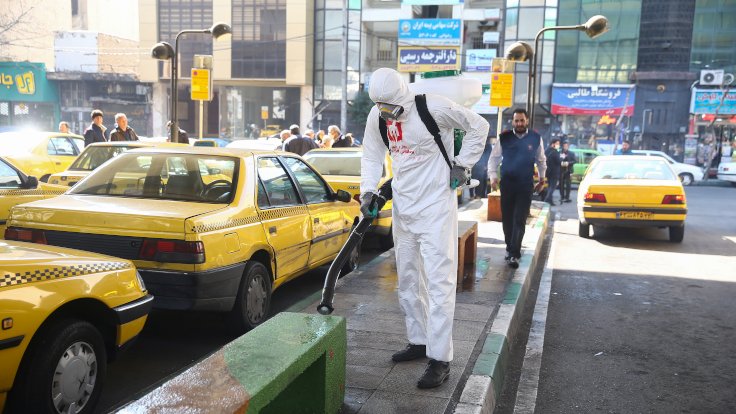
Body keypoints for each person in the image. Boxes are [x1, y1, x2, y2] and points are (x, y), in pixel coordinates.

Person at [360, 68, 489, 389]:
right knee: (407, 279)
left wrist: (463, 163)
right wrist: (367, 190)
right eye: (380, 107)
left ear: (401, 96)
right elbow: (372, 154)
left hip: (436, 207)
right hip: (404, 207)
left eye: (389, 107)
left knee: (438, 281)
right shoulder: (379, 116)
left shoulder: (432, 107)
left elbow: (479, 125)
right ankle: (418, 341)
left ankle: (440, 358)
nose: (386, 114)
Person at [488, 108, 547, 269]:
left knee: (519, 219)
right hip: (507, 184)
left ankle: (514, 253)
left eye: (522, 120)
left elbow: (541, 160)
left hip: (525, 185)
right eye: (516, 120)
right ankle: (509, 247)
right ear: (513, 121)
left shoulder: (535, 138)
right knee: (507, 219)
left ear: (527, 121)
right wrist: (493, 177)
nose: (519, 123)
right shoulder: (504, 137)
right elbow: (493, 159)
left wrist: (542, 179)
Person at [543, 138, 561, 205]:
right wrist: (561, 158)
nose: (558, 145)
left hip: (548, 171)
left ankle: (550, 201)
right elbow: (558, 161)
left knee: (550, 185)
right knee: (552, 187)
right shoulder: (555, 152)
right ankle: (547, 199)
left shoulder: (546, 150)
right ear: (553, 144)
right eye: (557, 144)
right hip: (554, 172)